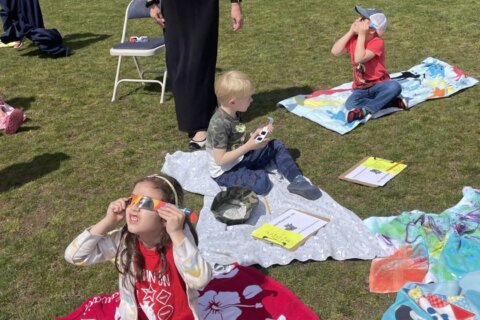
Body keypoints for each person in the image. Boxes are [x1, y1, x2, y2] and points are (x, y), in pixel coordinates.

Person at [64, 174, 212, 319]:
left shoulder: (179, 242)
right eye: (132, 199)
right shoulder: (124, 241)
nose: (134, 207)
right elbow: (75, 256)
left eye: (146, 203)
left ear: (166, 216)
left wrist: (177, 234)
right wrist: (108, 221)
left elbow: (200, 281)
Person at [206, 71, 322, 200]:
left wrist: (254, 135)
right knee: (262, 184)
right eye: (248, 97)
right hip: (226, 172)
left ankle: (298, 180)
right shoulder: (219, 125)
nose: (252, 100)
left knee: (276, 145)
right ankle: (255, 172)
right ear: (233, 102)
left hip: (241, 158)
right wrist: (249, 146)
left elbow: (236, 137)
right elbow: (220, 160)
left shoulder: (234, 112)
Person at [147, 0, 244, 149]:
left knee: (200, 59)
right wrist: (152, 3)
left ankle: (201, 125)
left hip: (203, 6)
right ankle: (198, 119)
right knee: (177, 63)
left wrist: (235, 4)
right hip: (174, 7)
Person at [331, 5, 405, 123]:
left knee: (395, 87)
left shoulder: (377, 42)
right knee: (350, 104)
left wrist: (361, 34)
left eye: (362, 20)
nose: (357, 21)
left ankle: (366, 110)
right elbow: (335, 51)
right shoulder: (354, 39)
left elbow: (359, 58)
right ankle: (388, 102)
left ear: (371, 29)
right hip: (361, 89)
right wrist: (351, 31)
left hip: (380, 85)